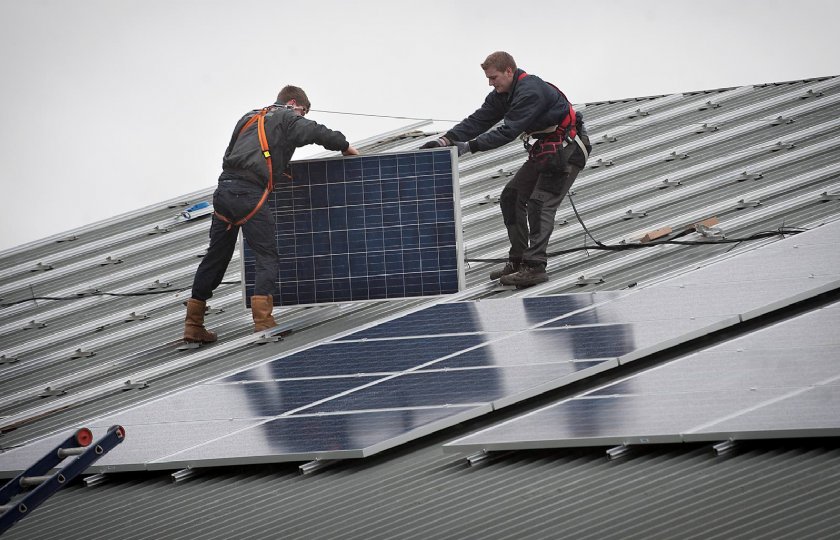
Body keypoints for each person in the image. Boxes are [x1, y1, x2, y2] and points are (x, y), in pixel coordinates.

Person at [184, 85, 359, 343]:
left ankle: (193, 324)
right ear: (292, 103)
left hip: (224, 192)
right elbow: (315, 132)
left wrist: (276, 168)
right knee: (266, 255)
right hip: (250, 196)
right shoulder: (287, 116)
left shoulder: (248, 117)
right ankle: (263, 322)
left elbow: (235, 153)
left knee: (216, 257)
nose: (302, 116)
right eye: (303, 111)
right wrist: (344, 146)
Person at [420, 51, 591, 287]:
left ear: (509, 71)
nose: (491, 83)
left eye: (494, 77)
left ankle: (535, 266)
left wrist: (468, 147)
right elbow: (480, 119)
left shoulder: (530, 91)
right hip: (548, 150)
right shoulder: (503, 94)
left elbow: (509, 131)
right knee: (511, 196)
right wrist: (445, 141)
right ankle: (519, 260)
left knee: (539, 203)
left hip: (567, 151)